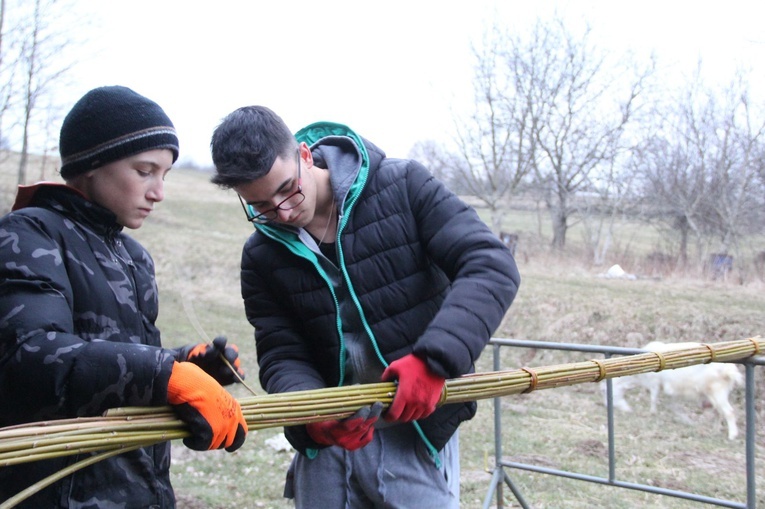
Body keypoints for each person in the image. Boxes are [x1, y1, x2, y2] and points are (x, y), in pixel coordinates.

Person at [209, 106, 520, 508]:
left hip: (417, 426)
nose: (282, 212)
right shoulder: (260, 255)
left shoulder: (403, 185)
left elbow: (490, 265)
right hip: (330, 442)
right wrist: (312, 416)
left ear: (305, 155)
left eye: (287, 188)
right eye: (261, 205)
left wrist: (434, 361)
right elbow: (281, 350)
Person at [0, 86, 248, 508]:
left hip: (140, 491)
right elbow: (32, 355)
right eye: (144, 170)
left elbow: (117, 359)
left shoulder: (132, 256)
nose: (159, 192)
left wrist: (185, 365)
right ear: (93, 164)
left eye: (165, 175)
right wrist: (162, 375)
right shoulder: (28, 233)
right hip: (57, 495)